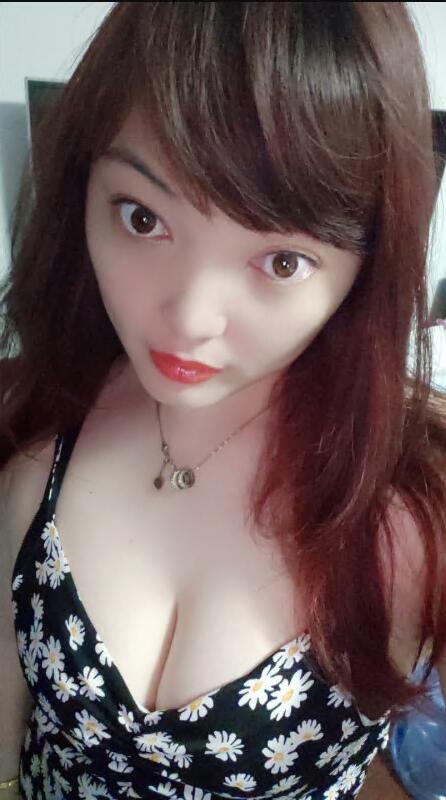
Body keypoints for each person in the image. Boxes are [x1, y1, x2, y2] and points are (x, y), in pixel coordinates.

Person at [1, 3, 446, 799]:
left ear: (365, 268)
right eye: (143, 217)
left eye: (281, 262)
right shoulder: (43, 429)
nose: (189, 319)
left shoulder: (413, 520)